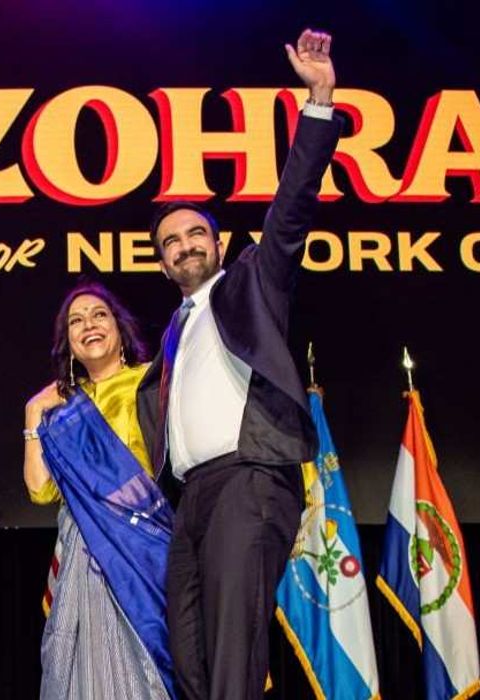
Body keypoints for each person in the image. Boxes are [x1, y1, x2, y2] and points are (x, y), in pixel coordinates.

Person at [135, 28, 342, 700]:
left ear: (218, 242)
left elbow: (290, 211)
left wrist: (317, 101)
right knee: (190, 658)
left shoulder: (251, 282)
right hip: (191, 500)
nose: (184, 245)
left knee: (231, 655)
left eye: (196, 233)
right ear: (161, 261)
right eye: (171, 242)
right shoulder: (169, 335)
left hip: (248, 482)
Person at [24, 281, 176, 699]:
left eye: (98, 315)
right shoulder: (62, 408)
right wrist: (33, 413)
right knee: (86, 668)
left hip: (143, 548)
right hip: (85, 550)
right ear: (68, 343)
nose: (88, 324)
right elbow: (39, 491)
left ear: (120, 328)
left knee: (146, 663)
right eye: (76, 320)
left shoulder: (151, 382)